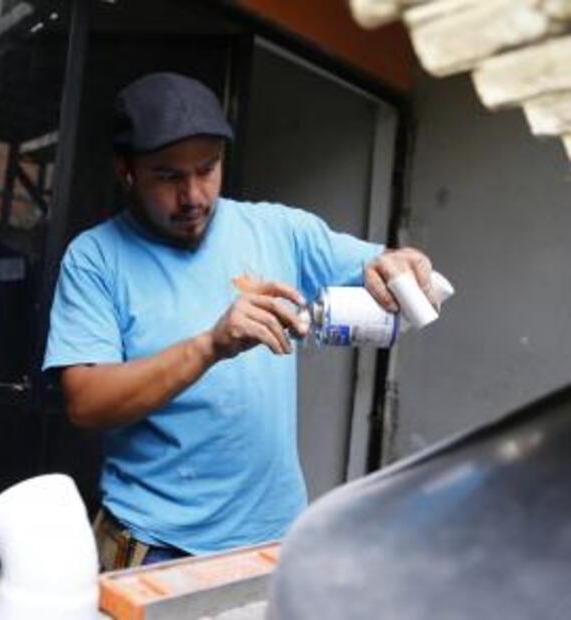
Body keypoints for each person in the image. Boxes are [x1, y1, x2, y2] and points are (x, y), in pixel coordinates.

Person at [43, 72, 435, 570]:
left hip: (275, 542)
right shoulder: (95, 258)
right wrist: (210, 345)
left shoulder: (279, 230)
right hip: (153, 546)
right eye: (168, 176)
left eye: (207, 169)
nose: (193, 197)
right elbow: (84, 403)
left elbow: (378, 265)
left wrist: (399, 263)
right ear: (126, 171)